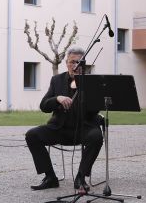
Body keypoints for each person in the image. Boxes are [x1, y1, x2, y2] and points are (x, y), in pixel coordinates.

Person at [25, 47, 104, 194]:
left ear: (84, 65)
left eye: (79, 63)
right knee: (32, 135)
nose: (75, 66)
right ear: (66, 63)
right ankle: (50, 177)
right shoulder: (57, 80)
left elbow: (95, 110)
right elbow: (44, 106)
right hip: (59, 128)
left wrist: (85, 93)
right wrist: (57, 99)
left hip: (83, 129)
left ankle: (80, 178)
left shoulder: (91, 82)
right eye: (72, 62)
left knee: (97, 136)